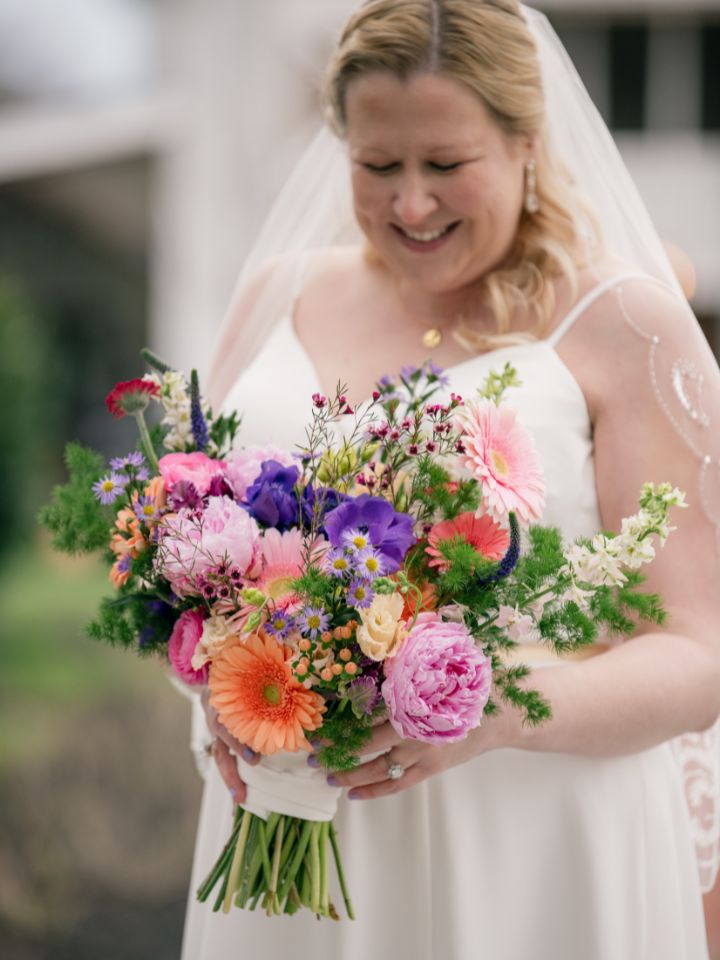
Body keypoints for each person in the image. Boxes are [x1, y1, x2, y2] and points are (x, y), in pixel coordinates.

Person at [180, 2, 720, 957]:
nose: (411, 205)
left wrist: (500, 711)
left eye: (445, 164)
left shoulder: (621, 320)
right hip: (290, 821)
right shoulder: (277, 294)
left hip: (536, 836)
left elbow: (697, 648)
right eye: (378, 166)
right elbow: (189, 550)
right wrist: (217, 686)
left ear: (525, 142)